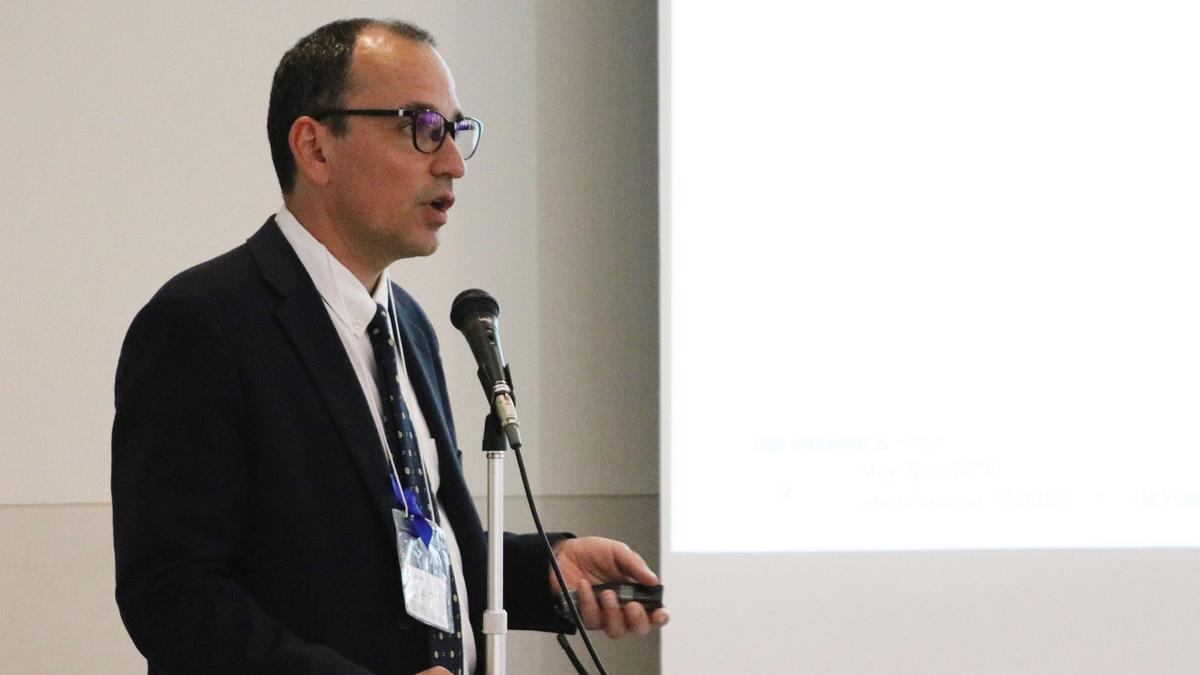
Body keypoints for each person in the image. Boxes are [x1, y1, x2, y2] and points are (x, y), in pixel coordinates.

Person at [111, 18, 667, 674]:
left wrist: (547, 568)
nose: (453, 162)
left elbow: (418, 546)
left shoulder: (410, 326)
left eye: (456, 131)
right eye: (422, 126)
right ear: (315, 148)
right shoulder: (201, 324)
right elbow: (173, 595)